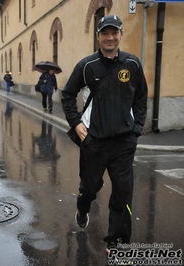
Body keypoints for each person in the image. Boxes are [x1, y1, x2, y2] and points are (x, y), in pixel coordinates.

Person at [61, 15, 148, 255]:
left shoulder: (132, 64)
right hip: (94, 142)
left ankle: (117, 242)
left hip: (123, 142)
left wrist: (136, 128)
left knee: (122, 192)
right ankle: (82, 208)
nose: (110, 37)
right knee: (90, 187)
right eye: (105, 33)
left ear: (120, 34)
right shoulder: (87, 66)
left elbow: (141, 98)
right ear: (98, 36)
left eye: (114, 32)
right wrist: (76, 123)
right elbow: (67, 94)